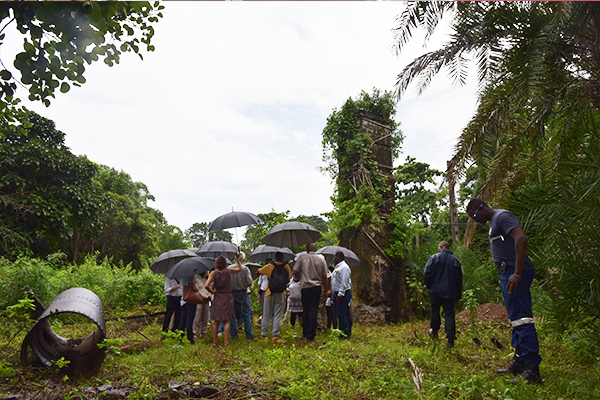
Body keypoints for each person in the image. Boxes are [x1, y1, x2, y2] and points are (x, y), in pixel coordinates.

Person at [467, 199, 542, 384]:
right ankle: (519, 362)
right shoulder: (494, 222)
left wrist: (517, 272)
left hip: (514, 272)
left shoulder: (502, 216)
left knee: (522, 319)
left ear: (482, 207)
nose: (475, 221)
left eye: (475, 216)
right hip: (506, 272)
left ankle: (532, 369)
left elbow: (521, 238)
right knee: (515, 319)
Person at [423, 241, 462, 347]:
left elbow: (427, 273)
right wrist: (458, 295)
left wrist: (428, 286)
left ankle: (434, 332)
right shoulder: (455, 261)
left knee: (434, 310)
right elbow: (459, 280)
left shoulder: (434, 258)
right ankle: (450, 339)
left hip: (435, 291)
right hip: (450, 292)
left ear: (440, 247)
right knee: (449, 313)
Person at [293, 243, 330, 341]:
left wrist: (299, 275)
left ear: (307, 249)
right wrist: (326, 290)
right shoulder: (321, 259)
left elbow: (295, 272)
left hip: (305, 287)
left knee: (305, 309)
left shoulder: (302, 258)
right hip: (316, 287)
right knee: (314, 309)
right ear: (315, 249)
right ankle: (311, 334)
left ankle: (305, 333)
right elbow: (324, 276)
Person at [205, 254, 243, 346]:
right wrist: (237, 260)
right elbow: (239, 269)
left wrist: (213, 291)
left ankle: (215, 341)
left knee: (216, 321)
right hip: (228, 297)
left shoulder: (213, 273)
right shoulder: (228, 271)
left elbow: (206, 285)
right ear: (225, 264)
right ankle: (226, 342)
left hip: (218, 297)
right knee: (227, 320)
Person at [258, 252, 291, 343]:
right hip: (282, 293)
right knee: (278, 315)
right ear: (282, 258)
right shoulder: (286, 267)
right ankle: (275, 336)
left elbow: (259, 271)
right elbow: (288, 279)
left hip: (269, 293)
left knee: (266, 315)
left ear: (275, 258)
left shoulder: (270, 267)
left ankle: (263, 335)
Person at [229, 252, 255, 340]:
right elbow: (249, 282)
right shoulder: (245, 269)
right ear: (243, 260)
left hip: (231, 293)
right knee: (246, 314)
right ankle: (249, 335)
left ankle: (234, 336)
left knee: (232, 315)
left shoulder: (229, 268)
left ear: (235, 258)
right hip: (242, 293)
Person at [331, 251, 352, 339]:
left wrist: (340, 295)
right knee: (344, 314)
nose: (333, 258)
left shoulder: (344, 268)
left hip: (342, 294)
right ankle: (345, 331)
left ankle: (345, 334)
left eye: (335, 256)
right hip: (337, 293)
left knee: (341, 315)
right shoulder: (338, 267)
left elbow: (344, 282)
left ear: (339, 257)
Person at [193, 272, 213, 339]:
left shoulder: (206, 279)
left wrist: (209, 296)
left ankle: (203, 333)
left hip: (206, 301)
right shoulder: (196, 279)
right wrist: (206, 297)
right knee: (197, 317)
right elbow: (197, 291)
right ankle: (194, 332)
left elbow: (209, 288)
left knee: (205, 317)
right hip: (199, 300)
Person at [179, 275, 199, 344]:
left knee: (183, 320)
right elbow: (195, 288)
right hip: (191, 300)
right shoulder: (191, 276)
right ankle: (190, 338)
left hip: (183, 300)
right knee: (190, 320)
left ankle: (181, 337)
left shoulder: (181, 277)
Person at [256, 258, 271, 326]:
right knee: (264, 307)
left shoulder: (272, 271)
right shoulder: (262, 272)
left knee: (269, 307)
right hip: (263, 290)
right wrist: (258, 295)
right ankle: (263, 321)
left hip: (270, 290)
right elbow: (259, 284)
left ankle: (262, 320)